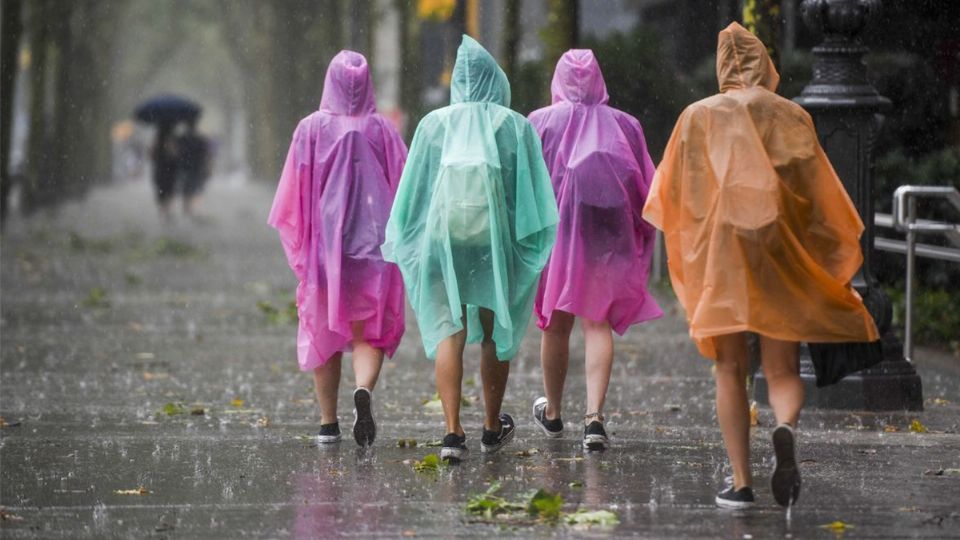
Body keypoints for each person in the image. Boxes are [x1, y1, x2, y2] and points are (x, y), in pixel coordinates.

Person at [643, 23, 881, 509]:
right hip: (779, 248)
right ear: (764, 63)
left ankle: (741, 483)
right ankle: (786, 427)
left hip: (720, 253)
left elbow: (670, 196)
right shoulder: (789, 115)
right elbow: (819, 196)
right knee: (782, 366)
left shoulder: (696, 117)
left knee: (729, 366)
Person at [382, 36, 558, 462]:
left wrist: (409, 238)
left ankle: (451, 433)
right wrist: (525, 246)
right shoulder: (513, 125)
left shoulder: (433, 125)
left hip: (445, 241)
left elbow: (414, 194)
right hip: (493, 243)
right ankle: (492, 426)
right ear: (494, 80)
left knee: (450, 329)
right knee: (495, 328)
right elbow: (531, 195)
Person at [268, 50, 407, 447]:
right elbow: (405, 186)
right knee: (369, 331)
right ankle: (363, 388)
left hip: (326, 251)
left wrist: (303, 247)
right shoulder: (383, 130)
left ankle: (328, 424)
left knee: (327, 329)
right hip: (375, 249)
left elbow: (292, 198)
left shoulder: (310, 129)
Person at [528, 49, 663, 451]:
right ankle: (594, 419)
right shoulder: (625, 124)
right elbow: (646, 186)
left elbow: (526, 183)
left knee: (556, 322)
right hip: (608, 237)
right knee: (597, 323)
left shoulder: (539, 122)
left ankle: (552, 413)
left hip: (559, 236)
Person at [176, 118, 212, 217]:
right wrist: (207, 165)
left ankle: (186, 206)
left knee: (186, 187)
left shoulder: (181, 138)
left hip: (184, 166)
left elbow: (177, 152)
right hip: (196, 167)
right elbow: (205, 154)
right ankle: (190, 207)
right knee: (193, 186)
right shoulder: (200, 139)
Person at [151, 123, 179, 221]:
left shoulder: (157, 139)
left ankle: (164, 212)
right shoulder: (172, 139)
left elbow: (152, 155)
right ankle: (166, 212)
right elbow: (176, 156)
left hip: (161, 169)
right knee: (169, 191)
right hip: (168, 170)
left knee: (162, 191)